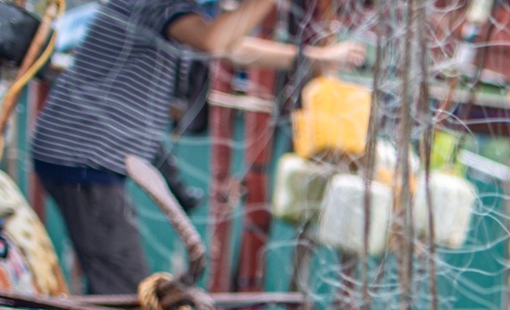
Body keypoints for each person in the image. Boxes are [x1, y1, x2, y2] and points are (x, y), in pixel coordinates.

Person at [31, 0, 362, 294]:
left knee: (112, 280)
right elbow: (215, 41)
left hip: (87, 156)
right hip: (82, 155)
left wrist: (316, 58)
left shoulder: (177, 14)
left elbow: (231, 45)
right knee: (127, 290)